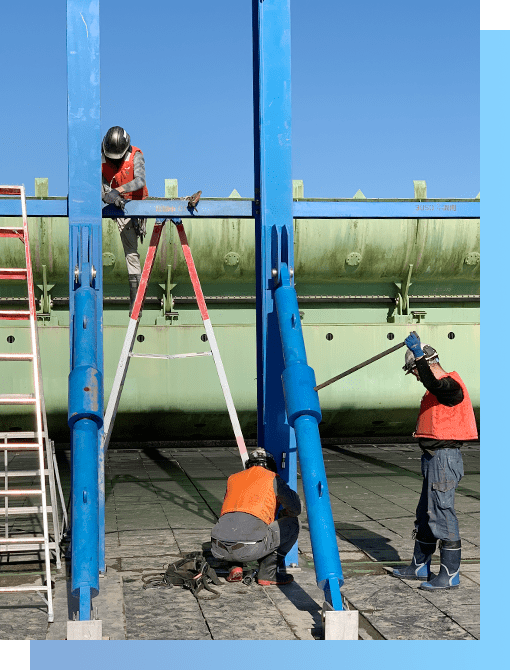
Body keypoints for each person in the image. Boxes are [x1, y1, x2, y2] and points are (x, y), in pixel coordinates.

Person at [392, 331, 478, 590]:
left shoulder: (449, 387)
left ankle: (450, 575)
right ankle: (419, 568)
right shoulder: (437, 388)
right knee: (425, 514)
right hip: (432, 459)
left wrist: (417, 355)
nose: (415, 376)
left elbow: (434, 384)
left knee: (442, 513)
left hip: (444, 459)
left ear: (426, 363)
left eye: (415, 370)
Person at [211, 448, 301, 586]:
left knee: (234, 525)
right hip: (248, 550)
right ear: (270, 465)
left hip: (218, 549)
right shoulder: (272, 478)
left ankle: (235, 567)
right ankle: (267, 574)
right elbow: (295, 509)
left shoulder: (233, 478)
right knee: (292, 524)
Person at [101, 126, 148, 314]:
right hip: (118, 207)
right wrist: (111, 196)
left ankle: (135, 302)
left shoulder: (136, 155)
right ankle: (135, 300)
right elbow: (102, 186)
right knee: (131, 252)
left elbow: (140, 180)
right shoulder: (102, 158)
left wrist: (118, 191)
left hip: (136, 205)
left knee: (131, 253)